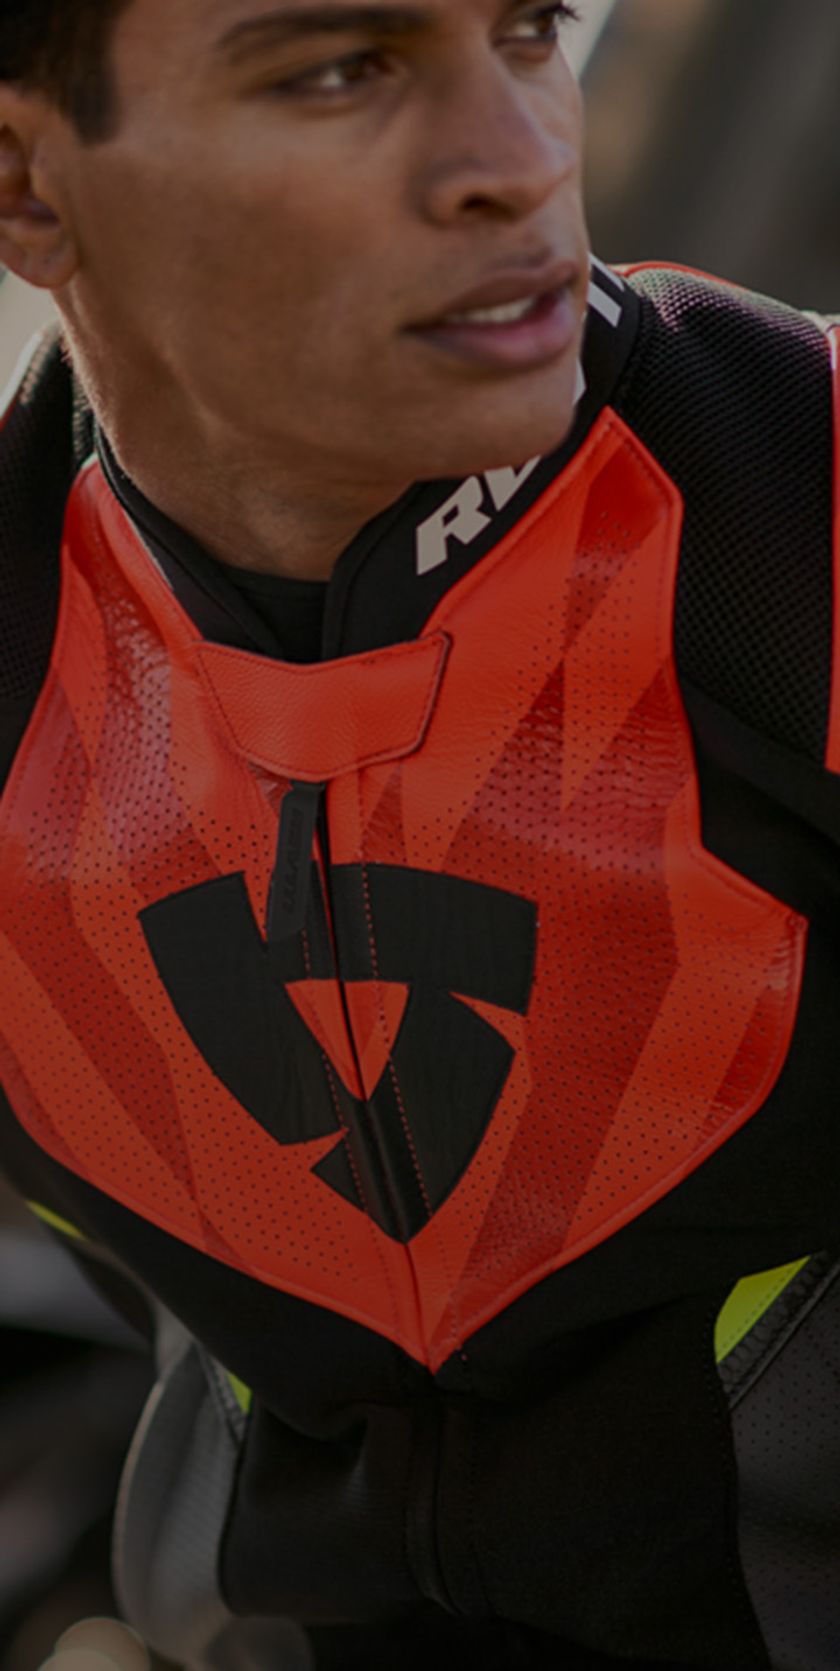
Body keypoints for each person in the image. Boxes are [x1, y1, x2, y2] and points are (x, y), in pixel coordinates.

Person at [0, 3, 837, 1668]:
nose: (518, 158)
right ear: (29, 185)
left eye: (529, 32)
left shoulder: (796, 501)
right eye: (340, 71)